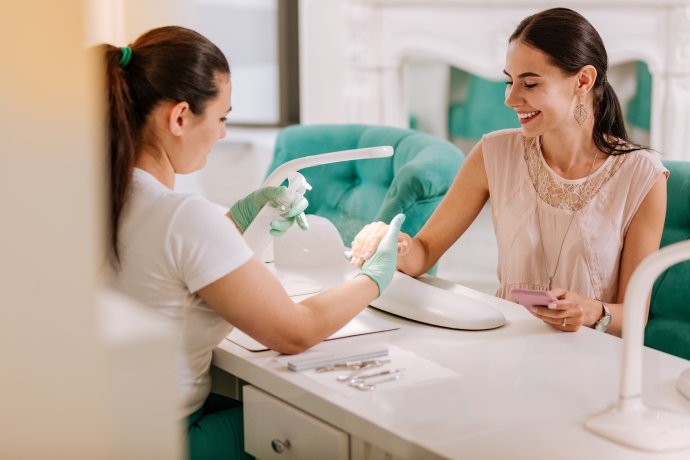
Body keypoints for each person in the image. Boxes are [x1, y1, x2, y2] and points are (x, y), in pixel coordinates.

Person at [103, 26, 404, 460]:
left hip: (94, 426)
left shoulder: (95, 194)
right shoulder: (182, 215)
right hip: (158, 441)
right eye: (222, 117)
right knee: (343, 435)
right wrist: (373, 278)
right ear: (180, 117)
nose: (223, 133)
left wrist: (239, 219)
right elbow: (294, 332)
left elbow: (162, 259)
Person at [348, 7, 668, 338]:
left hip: (592, 361)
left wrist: (589, 311)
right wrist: (393, 244)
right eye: (509, 81)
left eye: (529, 83)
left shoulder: (642, 176)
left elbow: (634, 316)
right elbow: (424, 253)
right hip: (504, 344)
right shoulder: (493, 153)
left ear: (583, 81)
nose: (511, 99)